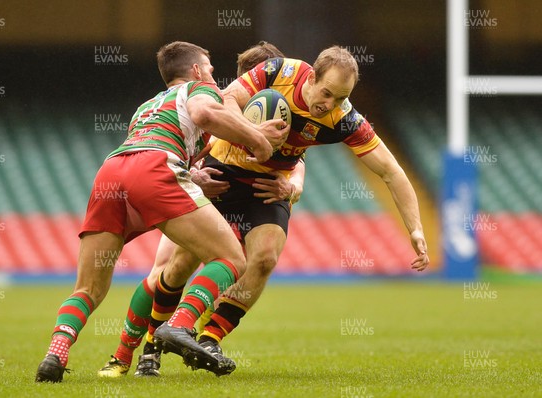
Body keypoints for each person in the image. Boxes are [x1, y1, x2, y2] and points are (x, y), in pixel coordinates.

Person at [123, 45, 430, 374]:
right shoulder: (279, 72)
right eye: (327, 93)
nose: (330, 104)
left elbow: (391, 171)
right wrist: (252, 135)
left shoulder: (343, 119)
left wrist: (415, 228)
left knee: (266, 256)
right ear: (311, 78)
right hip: (220, 173)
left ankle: (209, 337)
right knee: (181, 263)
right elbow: (226, 99)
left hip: (266, 187)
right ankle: (152, 346)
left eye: (341, 98)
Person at [34, 41, 289, 383]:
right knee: (231, 259)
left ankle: (56, 353)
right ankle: (179, 326)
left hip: (111, 171)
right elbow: (203, 114)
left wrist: (193, 174)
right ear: (197, 70)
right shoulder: (202, 88)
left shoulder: (147, 106)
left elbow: (163, 140)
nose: (215, 77)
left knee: (88, 289)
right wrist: (258, 137)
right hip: (154, 171)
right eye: (211, 69)